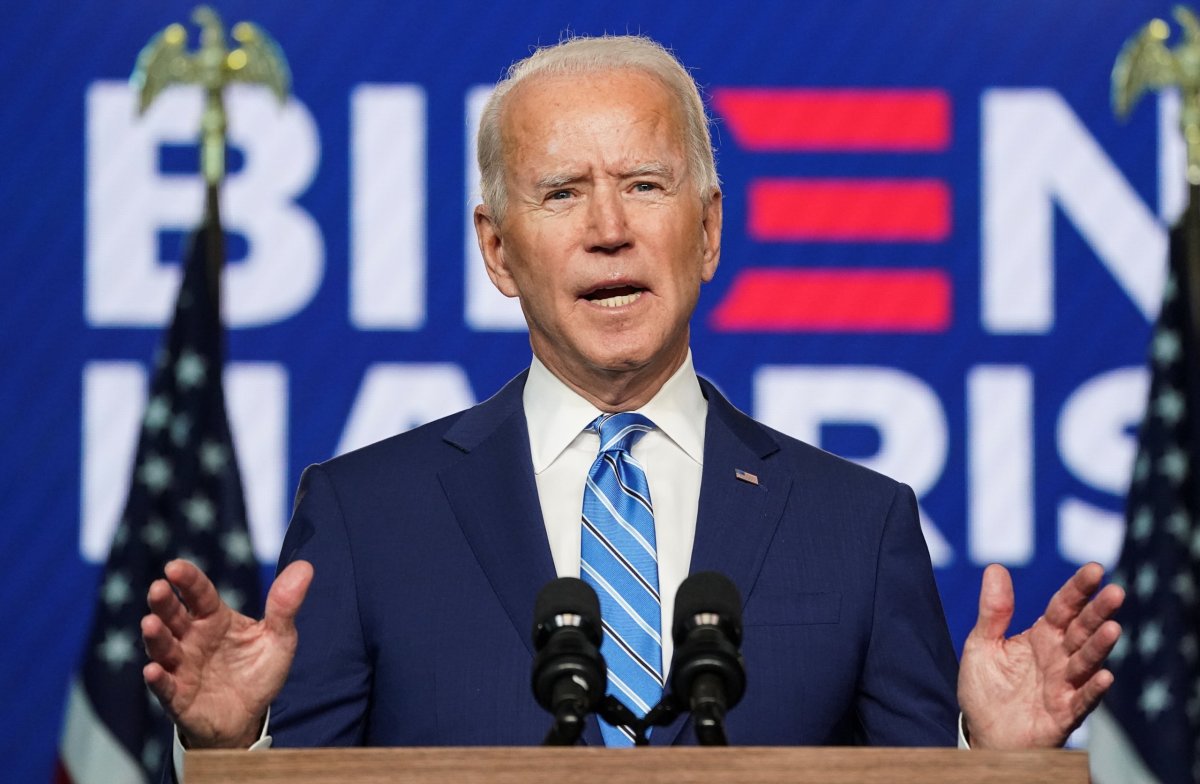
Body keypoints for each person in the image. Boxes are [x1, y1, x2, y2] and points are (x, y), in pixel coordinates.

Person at [141, 34, 1125, 763]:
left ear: (706, 233)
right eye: (563, 192)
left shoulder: (857, 525)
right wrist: (236, 748)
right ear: (497, 248)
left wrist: (997, 761)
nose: (609, 228)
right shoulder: (366, 515)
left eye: (645, 185)